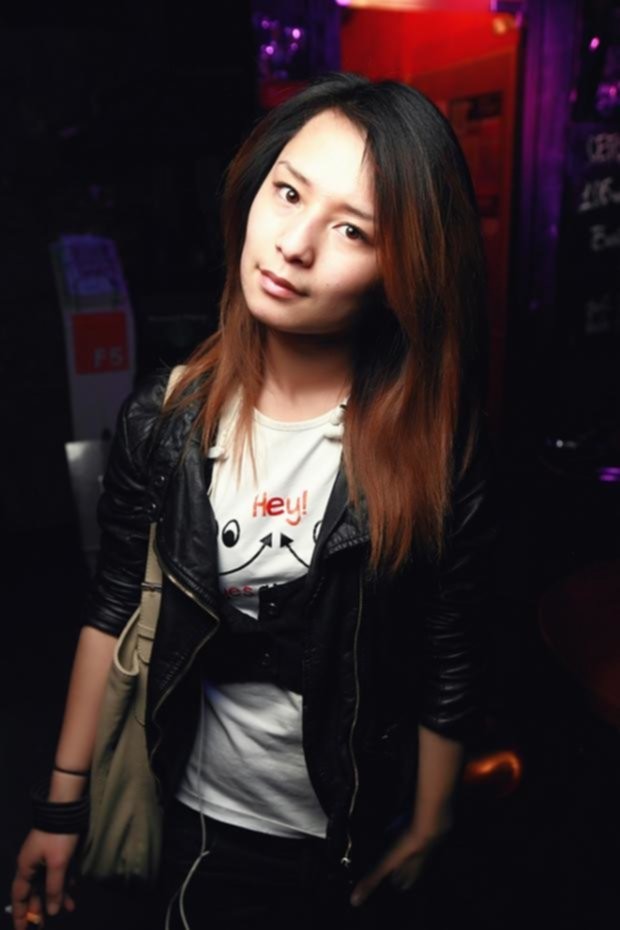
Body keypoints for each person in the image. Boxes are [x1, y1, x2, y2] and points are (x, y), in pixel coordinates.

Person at [12, 72, 496, 929]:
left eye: (352, 229)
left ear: (401, 271)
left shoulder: (433, 449)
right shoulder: (166, 419)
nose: (294, 244)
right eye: (289, 192)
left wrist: (431, 821)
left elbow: (446, 648)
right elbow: (114, 606)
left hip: (354, 829)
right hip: (204, 824)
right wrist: (62, 803)